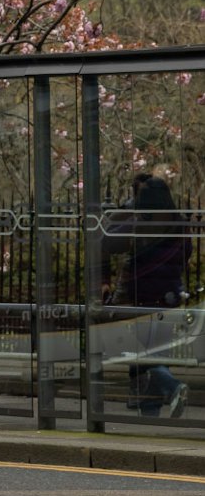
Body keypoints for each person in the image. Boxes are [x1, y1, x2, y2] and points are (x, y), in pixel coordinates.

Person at [101, 174, 189, 418]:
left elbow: (106, 243)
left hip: (141, 296)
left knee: (137, 352)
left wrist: (119, 216)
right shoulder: (180, 223)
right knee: (157, 352)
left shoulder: (140, 223)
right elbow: (187, 254)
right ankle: (150, 408)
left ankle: (172, 388)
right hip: (170, 296)